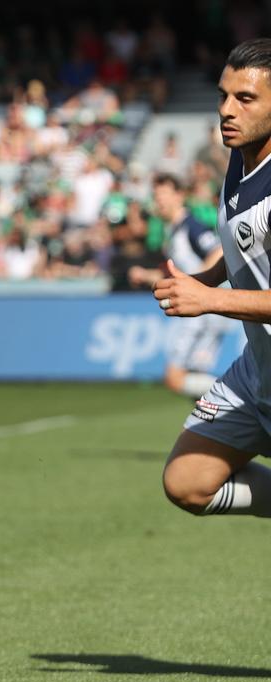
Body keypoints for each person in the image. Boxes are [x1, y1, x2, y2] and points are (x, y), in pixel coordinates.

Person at [158, 39, 271, 518]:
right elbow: (242, 237)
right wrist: (209, 274)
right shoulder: (239, 156)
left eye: (245, 99)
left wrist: (211, 298)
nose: (227, 110)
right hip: (259, 370)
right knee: (187, 483)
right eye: (223, 96)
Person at [130, 173, 230, 397]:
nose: (159, 201)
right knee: (193, 384)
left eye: (163, 195)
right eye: (156, 196)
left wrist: (197, 284)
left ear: (179, 196)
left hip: (204, 311)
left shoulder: (191, 225)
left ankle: (241, 396)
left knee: (175, 378)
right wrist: (145, 275)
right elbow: (176, 272)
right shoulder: (173, 231)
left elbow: (218, 251)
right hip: (199, 310)